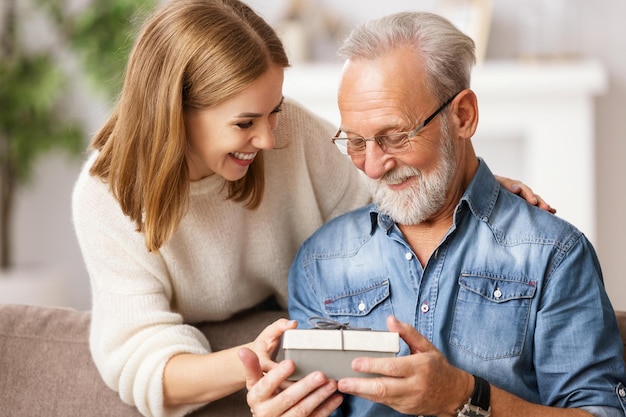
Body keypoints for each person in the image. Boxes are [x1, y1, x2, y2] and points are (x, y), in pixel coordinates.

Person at [71, 1, 555, 416]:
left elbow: (386, 195)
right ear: (175, 113)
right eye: (244, 123)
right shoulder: (106, 196)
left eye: (274, 109)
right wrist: (263, 358)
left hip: (302, 328)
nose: (267, 138)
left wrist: (470, 184)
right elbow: (140, 359)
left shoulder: (290, 135)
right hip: (242, 359)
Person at [242, 10, 626, 417]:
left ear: (463, 116)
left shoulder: (553, 255)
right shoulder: (321, 261)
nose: (373, 167)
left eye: (395, 137)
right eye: (355, 141)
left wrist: (466, 396)